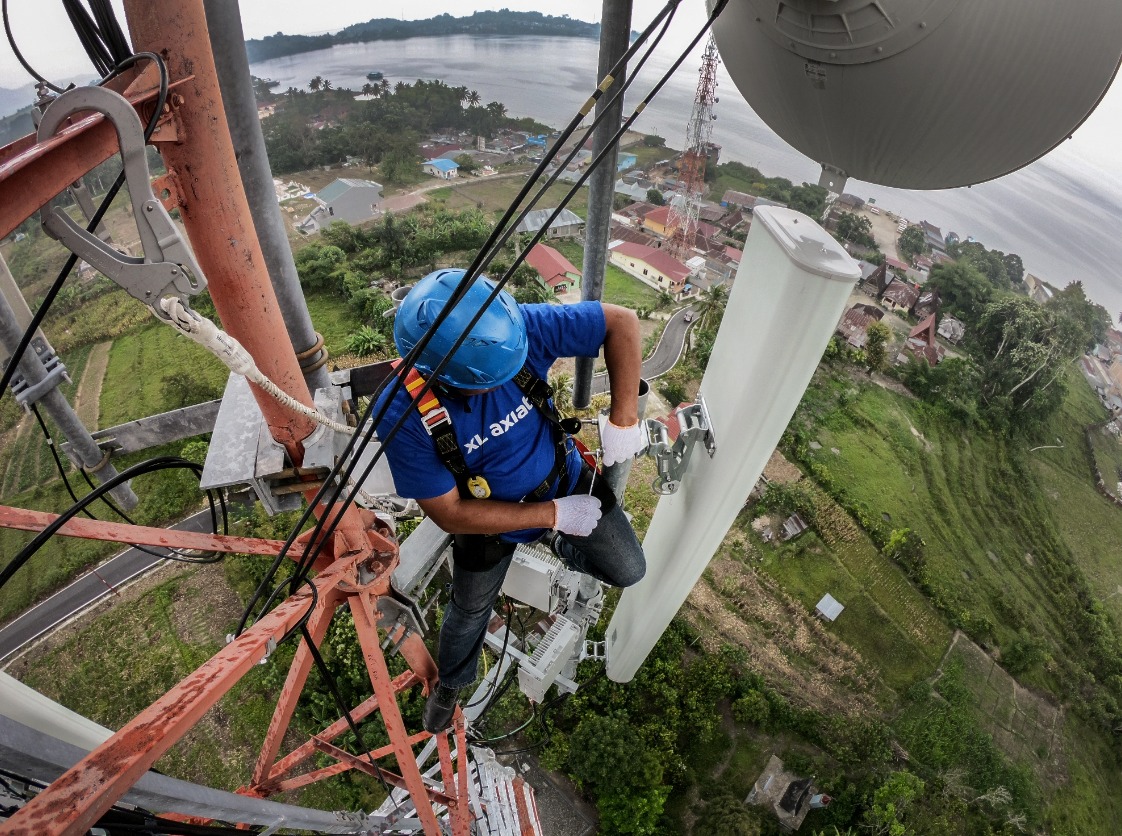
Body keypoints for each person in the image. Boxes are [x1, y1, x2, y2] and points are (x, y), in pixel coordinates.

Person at [375, 268, 648, 733]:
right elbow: (449, 513)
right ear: (448, 377)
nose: (501, 387)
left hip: (563, 478)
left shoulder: (505, 332)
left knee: (629, 569)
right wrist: (552, 516)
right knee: (468, 612)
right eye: (488, 384)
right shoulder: (403, 412)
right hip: (489, 522)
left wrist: (623, 418)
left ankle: (559, 541)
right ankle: (453, 683)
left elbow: (620, 322)